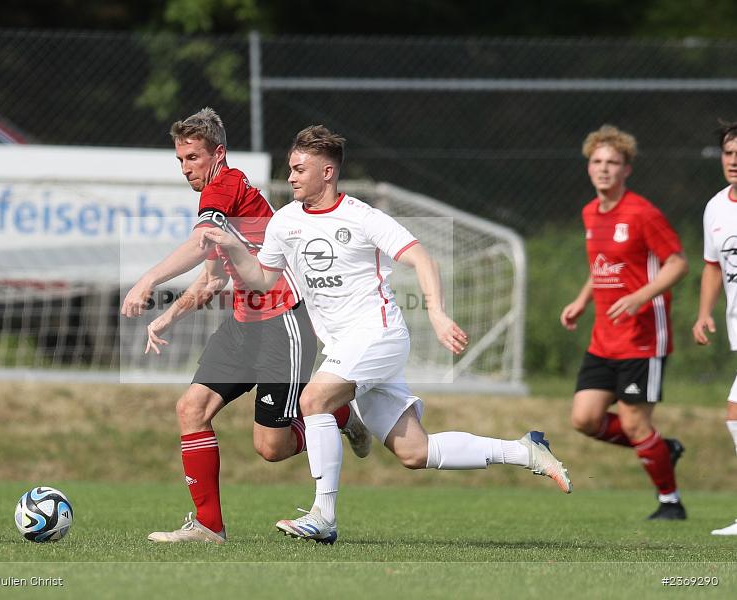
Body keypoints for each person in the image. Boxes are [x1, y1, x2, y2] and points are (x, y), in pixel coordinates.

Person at [201, 125, 572, 544]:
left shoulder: (362, 217)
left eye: (299, 169)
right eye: (290, 168)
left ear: (327, 172)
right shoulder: (284, 222)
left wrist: (436, 312)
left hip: (379, 335)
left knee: (314, 400)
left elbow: (422, 259)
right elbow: (264, 279)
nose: (290, 177)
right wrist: (232, 248)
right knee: (416, 452)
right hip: (346, 347)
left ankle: (324, 515)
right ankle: (526, 450)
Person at [119, 108, 370, 544]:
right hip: (242, 326)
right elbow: (214, 278)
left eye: (193, 158)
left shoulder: (227, 185)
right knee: (190, 410)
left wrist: (148, 279)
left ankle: (341, 412)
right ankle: (208, 526)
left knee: (271, 449)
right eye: (180, 160)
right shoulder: (220, 200)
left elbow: (199, 244)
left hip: (283, 323)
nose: (186, 168)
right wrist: (168, 315)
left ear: (218, 153)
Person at [560, 124, 688, 520]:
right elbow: (602, 266)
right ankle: (661, 448)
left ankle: (670, 501)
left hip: (643, 337)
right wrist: (582, 300)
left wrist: (639, 296)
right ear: (588, 167)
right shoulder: (589, 212)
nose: (604, 169)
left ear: (626, 169)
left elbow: (678, 263)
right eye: (597, 162)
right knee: (585, 418)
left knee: (635, 424)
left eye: (613, 162)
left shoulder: (642, 213)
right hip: (604, 338)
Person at [692, 121, 737, 536]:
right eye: (728, 152)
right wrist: (705, 311)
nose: (734, 160)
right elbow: (711, 265)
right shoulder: (716, 207)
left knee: (735, 413)